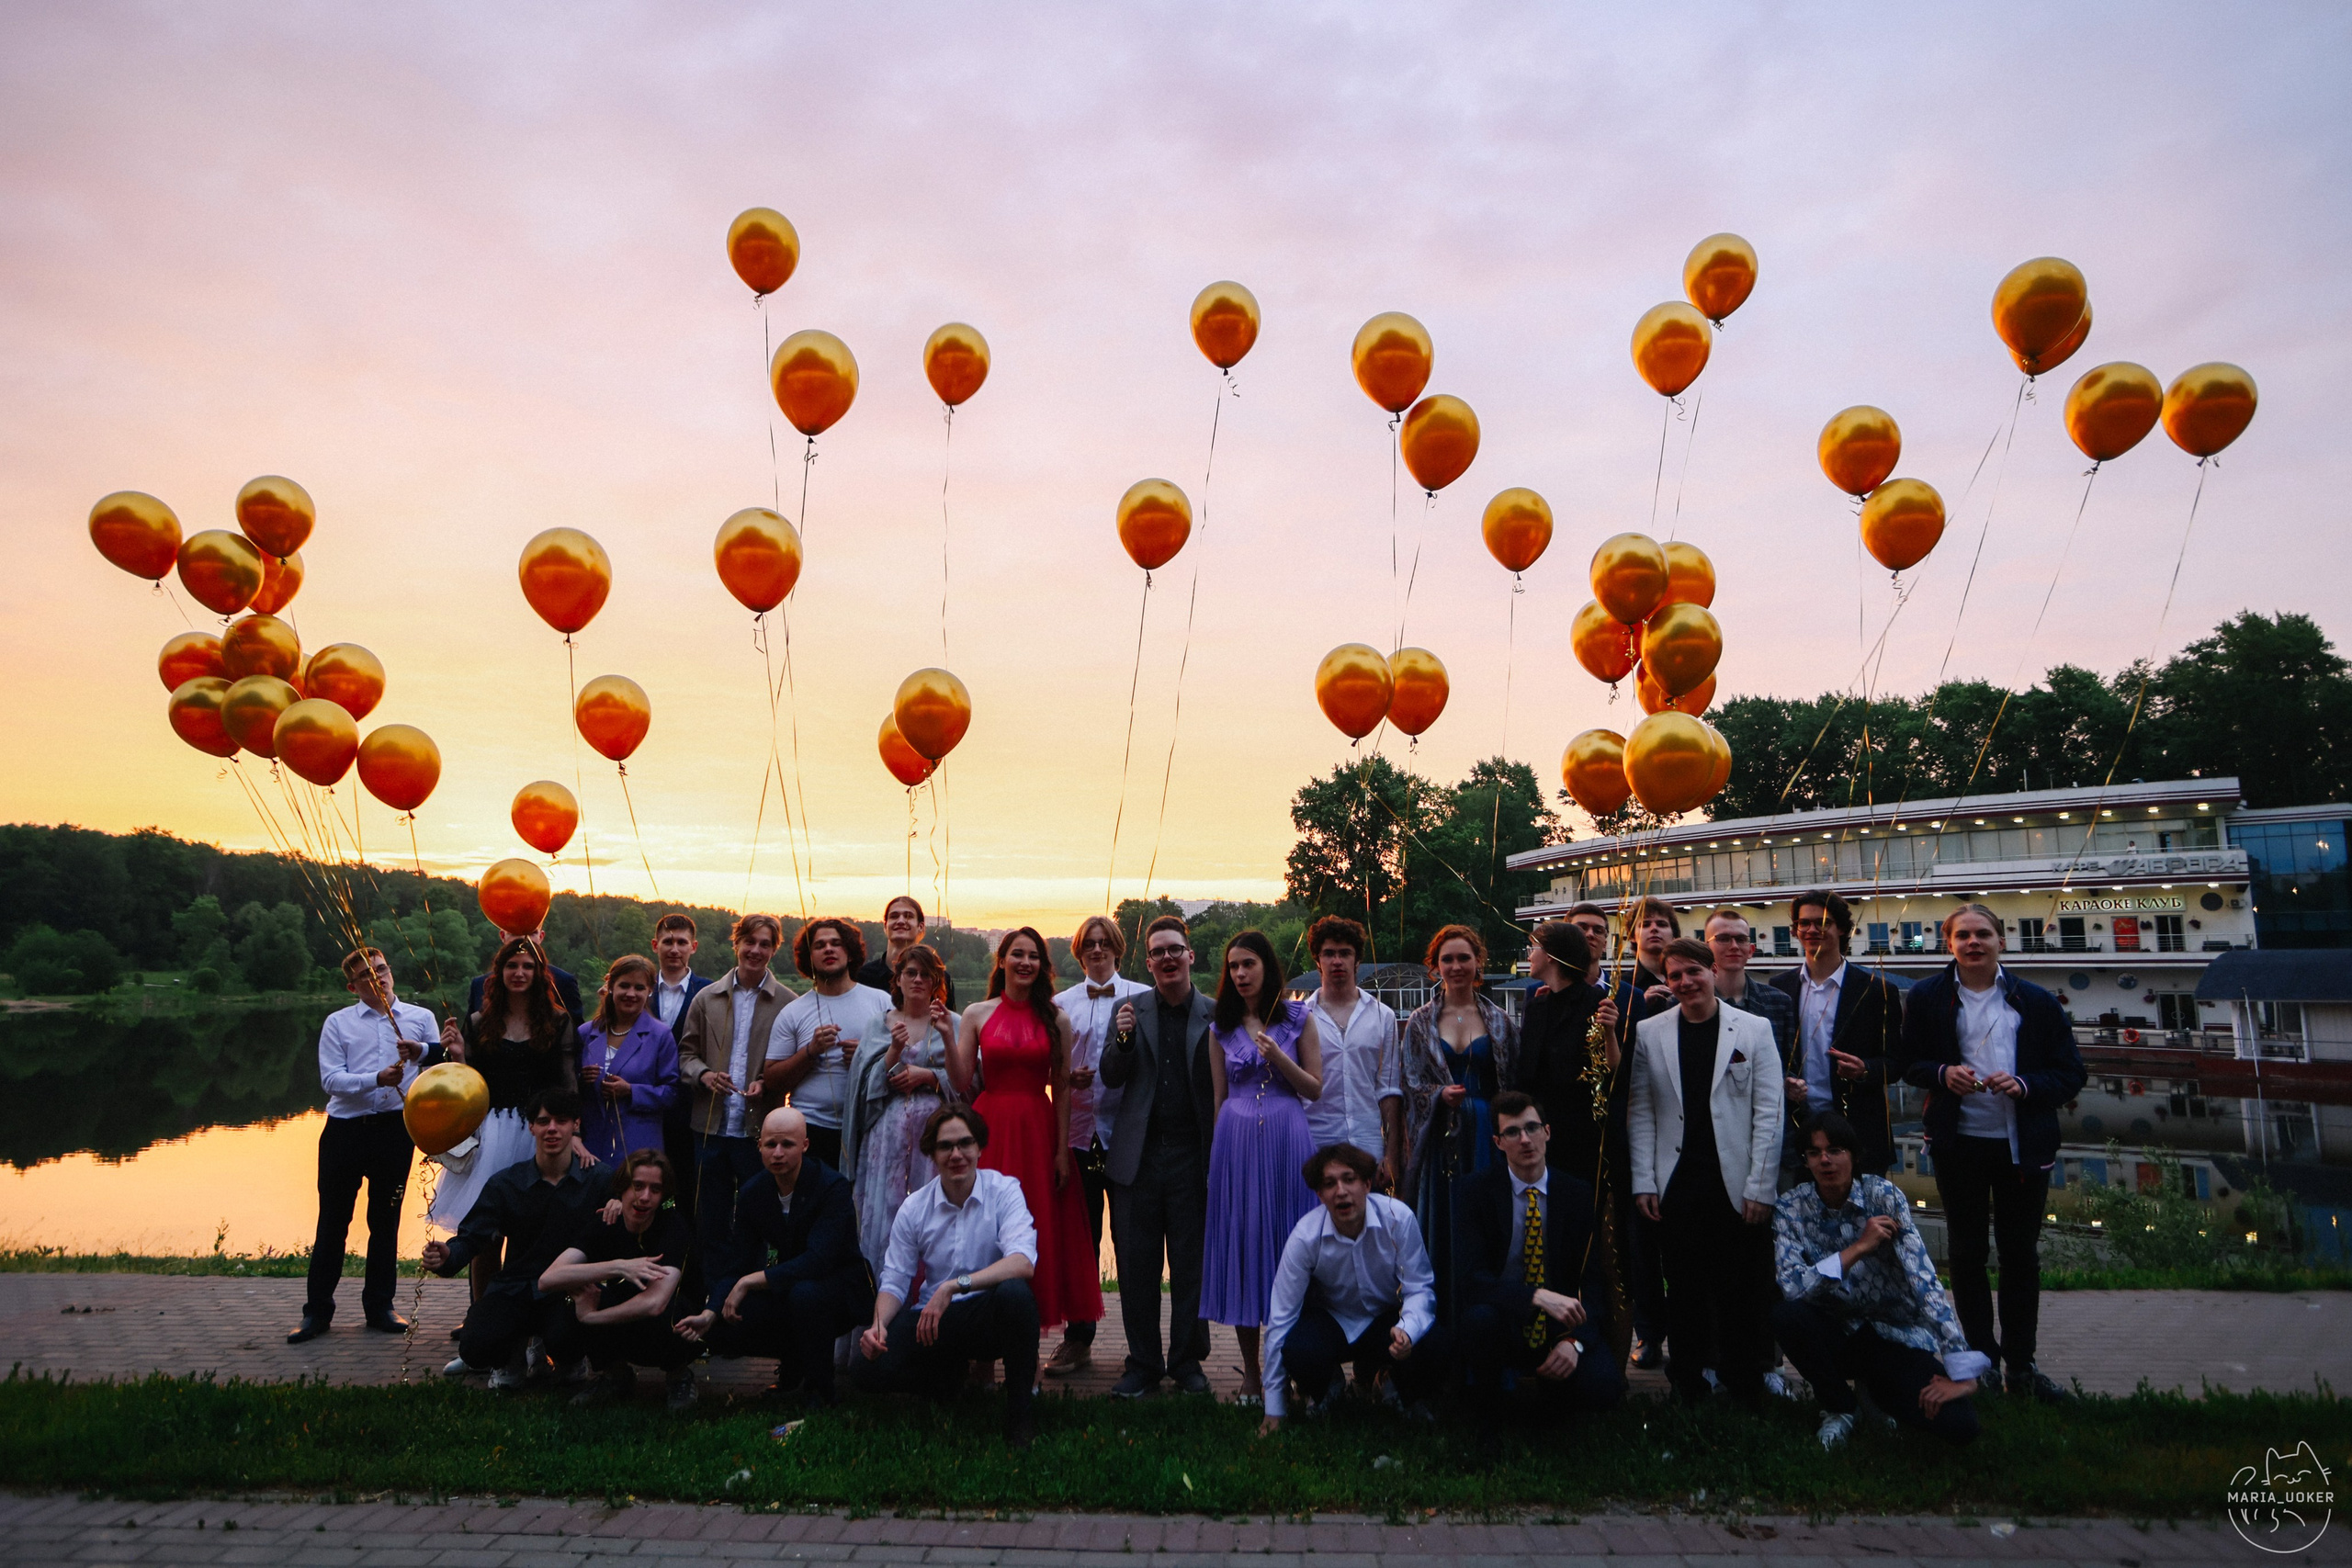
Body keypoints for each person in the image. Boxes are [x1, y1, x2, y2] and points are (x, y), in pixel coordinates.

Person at [1895, 903, 2086, 1404]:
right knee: (1965, 1254)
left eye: (1984, 934)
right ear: (1949, 944)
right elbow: (1908, 1063)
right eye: (1963, 936)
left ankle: (2020, 1366)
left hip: (2022, 1148)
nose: (1974, 943)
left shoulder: (2037, 1001)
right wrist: (1942, 1074)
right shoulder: (1928, 997)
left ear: (2002, 941)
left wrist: (2025, 1085)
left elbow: (2071, 1074)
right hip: (1958, 1146)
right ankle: (1977, 1361)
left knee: (2020, 1256)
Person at [1628, 938, 1784, 1407]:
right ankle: (1687, 1383)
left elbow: (1769, 1112)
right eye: (1674, 976)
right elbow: (1641, 1111)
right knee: (1686, 1291)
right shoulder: (1651, 1032)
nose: (1684, 982)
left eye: (1693, 972)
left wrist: (1760, 1185)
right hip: (1677, 1181)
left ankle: (1744, 1383)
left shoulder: (1754, 1029)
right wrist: (1644, 1180)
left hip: (1735, 1182)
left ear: (1713, 971)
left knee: (1740, 1289)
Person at [1773, 1112, 1984, 1448]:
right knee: (1786, 1315)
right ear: (1806, 1161)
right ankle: (1840, 1407)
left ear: (1854, 1155)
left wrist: (1963, 1370)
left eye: (1836, 1150)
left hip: (1894, 1336)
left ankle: (1876, 1392)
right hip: (1837, 1331)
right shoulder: (1790, 1207)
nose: (1825, 1160)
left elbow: (1924, 1280)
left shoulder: (1883, 1197)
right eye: (1815, 1153)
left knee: (1960, 1425)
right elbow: (1792, 1286)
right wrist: (1858, 1248)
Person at [854, 1104, 1042, 1447]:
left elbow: (1022, 1262)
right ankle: (944, 1380)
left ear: (979, 1148)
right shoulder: (915, 1207)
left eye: (965, 1143)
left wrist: (954, 1286)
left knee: (1016, 1295)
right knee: (867, 1369)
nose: (956, 1154)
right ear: (931, 1153)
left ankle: (1020, 1415)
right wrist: (878, 1326)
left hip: (987, 1314)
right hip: (935, 1322)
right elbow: (895, 1278)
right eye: (945, 1146)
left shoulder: (1005, 1191)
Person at [951, 927, 1103, 1341]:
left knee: (1038, 1228)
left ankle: (1028, 1345)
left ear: (1042, 966)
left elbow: (1063, 1086)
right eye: (1017, 955)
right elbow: (963, 1078)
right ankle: (980, 1343)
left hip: (1039, 1127)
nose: (1024, 963)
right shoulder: (976, 1014)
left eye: (1033, 956)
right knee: (984, 1227)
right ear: (1001, 961)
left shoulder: (1057, 1018)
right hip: (990, 1129)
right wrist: (948, 1038)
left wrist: (1060, 1151)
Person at [677, 1106, 874, 1408]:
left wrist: (750, 1282)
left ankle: (821, 1390)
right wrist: (711, 1312)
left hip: (843, 1288)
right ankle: (792, 1372)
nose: (778, 1153)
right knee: (724, 1327)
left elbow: (818, 1260)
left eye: (787, 1144)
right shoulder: (755, 1192)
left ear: (805, 1146)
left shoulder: (831, 1187)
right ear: (759, 1147)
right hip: (791, 1285)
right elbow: (738, 1263)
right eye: (770, 1144)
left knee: (804, 1295)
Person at [1201, 929, 1325, 1407]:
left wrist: (1279, 1059)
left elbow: (1314, 1089)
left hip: (1287, 1136)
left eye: (1248, 964)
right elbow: (1218, 1097)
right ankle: (1252, 1376)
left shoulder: (1298, 1018)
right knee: (1245, 1250)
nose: (1240, 974)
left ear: (1266, 968)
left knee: (1286, 1251)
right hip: (1235, 1141)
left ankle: (1292, 1369)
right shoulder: (1221, 1026)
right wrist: (1218, 1161)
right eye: (1233, 967)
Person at [1098, 913, 1216, 1397]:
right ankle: (1142, 1362)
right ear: (1148, 963)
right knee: (1136, 1266)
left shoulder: (1215, 1012)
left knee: (1192, 1265)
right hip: (1138, 1159)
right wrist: (1123, 1037)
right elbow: (1110, 1074)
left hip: (1194, 1156)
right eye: (1157, 952)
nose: (1167, 957)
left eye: (1175, 949)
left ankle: (1187, 1362)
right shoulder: (1128, 1010)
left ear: (1190, 955)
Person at [288, 947, 433, 1344]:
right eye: (367, 976)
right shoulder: (338, 1023)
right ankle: (317, 1312)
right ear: (353, 986)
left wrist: (439, 1050)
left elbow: (440, 1072)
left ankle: (380, 1307)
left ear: (391, 971)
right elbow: (331, 1080)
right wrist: (375, 1079)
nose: (378, 979)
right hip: (345, 1131)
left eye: (382, 969)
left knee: (385, 1222)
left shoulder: (420, 1019)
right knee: (332, 1222)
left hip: (394, 1131)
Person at [431, 935, 585, 1302]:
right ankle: (482, 1320)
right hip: (491, 1133)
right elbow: (467, 1085)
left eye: (528, 966)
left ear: (539, 973)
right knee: (487, 1235)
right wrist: (456, 1054)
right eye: (511, 966)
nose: (519, 973)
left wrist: (573, 1129)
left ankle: (531, 1328)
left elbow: (567, 1081)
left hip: (538, 1132)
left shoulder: (558, 1020)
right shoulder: (479, 1021)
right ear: (498, 972)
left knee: (535, 1235)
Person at [1454, 1092, 1624, 1424]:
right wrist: (1535, 1296)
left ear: (1547, 1132)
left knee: (1603, 1387)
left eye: (1532, 1128)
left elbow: (1592, 1281)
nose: (1525, 1140)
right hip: (1505, 1318)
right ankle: (1488, 1418)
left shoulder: (1576, 1194)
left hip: (1560, 1327)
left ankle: (1554, 1401)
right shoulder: (1474, 1192)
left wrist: (1575, 1342)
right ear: (1497, 1142)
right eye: (1513, 1132)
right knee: (1479, 1320)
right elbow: (1472, 1281)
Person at [1258, 1143, 1446, 1434]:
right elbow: (1281, 1318)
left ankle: (1402, 1393)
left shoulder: (1398, 1219)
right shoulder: (1305, 1237)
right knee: (1296, 1348)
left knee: (1432, 1339)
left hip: (1387, 1320)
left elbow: (1420, 1289)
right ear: (1320, 1195)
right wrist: (1274, 1409)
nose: (1341, 1191)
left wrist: (1407, 1329)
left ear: (1368, 1184)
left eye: (1349, 1179)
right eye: (1329, 1184)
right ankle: (1327, 1389)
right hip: (1333, 1321)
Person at [425, 1088, 605, 1387]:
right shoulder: (506, 1183)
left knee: (572, 1333)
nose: (551, 1128)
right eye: (543, 1120)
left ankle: (570, 1359)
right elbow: (472, 1236)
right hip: (516, 1289)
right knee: (476, 1343)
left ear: (576, 1125)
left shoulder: (599, 1180)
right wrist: (448, 1255)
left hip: (568, 1292)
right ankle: (509, 1359)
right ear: (531, 1126)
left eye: (561, 1121)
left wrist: (616, 1204)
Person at [1045, 913, 1150, 1376]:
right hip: (1077, 1137)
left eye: (1105, 943)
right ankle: (1078, 1337)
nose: (1097, 950)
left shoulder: (1143, 999)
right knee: (1081, 1240)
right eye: (1089, 943)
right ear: (1079, 951)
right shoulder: (1057, 1004)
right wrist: (1064, 1079)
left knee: (1134, 1243)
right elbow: (1045, 1068)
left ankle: (1143, 1347)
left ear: (1118, 949)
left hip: (1128, 1135)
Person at [1399, 923, 1517, 1323]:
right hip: (1441, 1140)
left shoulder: (1499, 1020)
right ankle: (1439, 1328)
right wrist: (1437, 1095)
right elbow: (1410, 1081)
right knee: (1444, 1232)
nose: (1456, 966)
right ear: (1435, 967)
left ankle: (1485, 1329)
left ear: (1478, 961)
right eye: (1446, 959)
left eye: (1464, 957)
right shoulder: (1419, 1022)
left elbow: (1513, 1081)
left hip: (1487, 1136)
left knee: (1485, 1234)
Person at [537, 1147, 699, 1411]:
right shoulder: (606, 1222)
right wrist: (618, 1267)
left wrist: (591, 1318)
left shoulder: (673, 1226)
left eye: (655, 1190)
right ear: (622, 1189)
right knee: (575, 1302)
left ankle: (679, 1375)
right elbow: (548, 1279)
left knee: (669, 1316)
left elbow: (655, 1302)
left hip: (668, 1320)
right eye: (637, 1186)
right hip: (623, 1312)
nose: (645, 1197)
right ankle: (615, 1376)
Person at [676, 914, 792, 1271]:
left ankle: (749, 1294)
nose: (755, 951)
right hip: (709, 1129)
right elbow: (685, 1055)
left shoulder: (788, 1002)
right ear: (736, 943)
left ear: (774, 949)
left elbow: (795, 1065)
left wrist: (768, 1083)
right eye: (749, 942)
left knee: (757, 1220)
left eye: (764, 944)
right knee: (709, 1218)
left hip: (757, 1132)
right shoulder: (705, 998)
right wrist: (705, 1075)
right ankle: (711, 1293)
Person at [842, 943, 958, 1272]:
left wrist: (930, 1077)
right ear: (898, 978)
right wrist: (893, 1051)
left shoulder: (954, 1023)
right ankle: (880, 1301)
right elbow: (864, 1087)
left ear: (938, 981)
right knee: (884, 1214)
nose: (918, 979)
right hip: (886, 1136)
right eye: (911, 972)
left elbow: (968, 1084)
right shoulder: (880, 1024)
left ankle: (928, 1300)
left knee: (933, 1215)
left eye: (926, 974)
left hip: (934, 1139)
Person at [1769, 890, 1900, 1177]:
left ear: (1841, 928)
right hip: (1797, 1133)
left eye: (1823, 922)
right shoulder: (1777, 989)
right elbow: (1769, 1058)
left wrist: (1865, 1069)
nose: (1813, 930)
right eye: (1804, 923)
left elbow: (1897, 1063)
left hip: (1860, 1132)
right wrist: (1784, 1081)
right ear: (1795, 930)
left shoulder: (1877, 990)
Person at [766, 917, 892, 1172]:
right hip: (812, 1131)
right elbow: (773, 1080)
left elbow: (907, 1061)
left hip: (868, 1125)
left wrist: (867, 1058)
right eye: (819, 945)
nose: (829, 949)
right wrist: (810, 1052)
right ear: (808, 956)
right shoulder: (793, 1012)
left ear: (850, 951)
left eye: (836, 943)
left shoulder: (882, 1003)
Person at [1299, 917, 1403, 1190]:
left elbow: (1389, 1090)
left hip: (1367, 1144)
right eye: (1329, 953)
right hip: (1315, 1142)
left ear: (1357, 960)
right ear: (1317, 959)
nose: (1337, 961)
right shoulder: (1299, 1018)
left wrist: (1392, 1155)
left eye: (1345, 953)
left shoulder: (1383, 1016)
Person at [1513, 920, 1617, 1184]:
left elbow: (1613, 1070)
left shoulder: (1596, 1004)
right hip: (1538, 1138)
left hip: (1580, 1140)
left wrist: (1610, 1032)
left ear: (1551, 955)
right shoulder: (1537, 1005)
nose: (1529, 955)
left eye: (1533, 948)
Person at [578, 954, 681, 1168]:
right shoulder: (586, 1033)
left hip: (638, 1147)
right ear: (610, 986)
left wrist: (631, 1091)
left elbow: (671, 1093)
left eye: (639, 988)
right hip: (590, 1146)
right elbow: (567, 1088)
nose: (631, 994)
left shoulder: (660, 1035)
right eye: (624, 986)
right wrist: (581, 1079)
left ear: (650, 991)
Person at [650, 912, 713, 1229]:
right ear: (655, 945)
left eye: (681, 942)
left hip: (691, 1112)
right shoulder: (638, 987)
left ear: (694, 947)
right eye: (668, 941)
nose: (674, 948)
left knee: (692, 1196)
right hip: (644, 1110)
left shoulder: (710, 993)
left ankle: (688, 1269)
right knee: (643, 1192)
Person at [1705, 909, 1794, 1069]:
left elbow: (1788, 1065)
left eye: (1741, 939)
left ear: (1751, 950)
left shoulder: (1780, 1002)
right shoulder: (1685, 1002)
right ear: (1706, 949)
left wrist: (1793, 1083)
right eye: (1723, 939)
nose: (1734, 946)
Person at [467, 926, 582, 1019]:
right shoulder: (479, 984)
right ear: (502, 936)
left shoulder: (563, 982)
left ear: (541, 937)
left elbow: (577, 1037)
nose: (523, 939)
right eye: (514, 933)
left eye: (531, 933)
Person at [854, 895, 932, 994]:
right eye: (894, 916)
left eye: (908, 916)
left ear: (920, 927)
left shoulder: (935, 976)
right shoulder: (862, 977)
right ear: (885, 926)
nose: (900, 921)